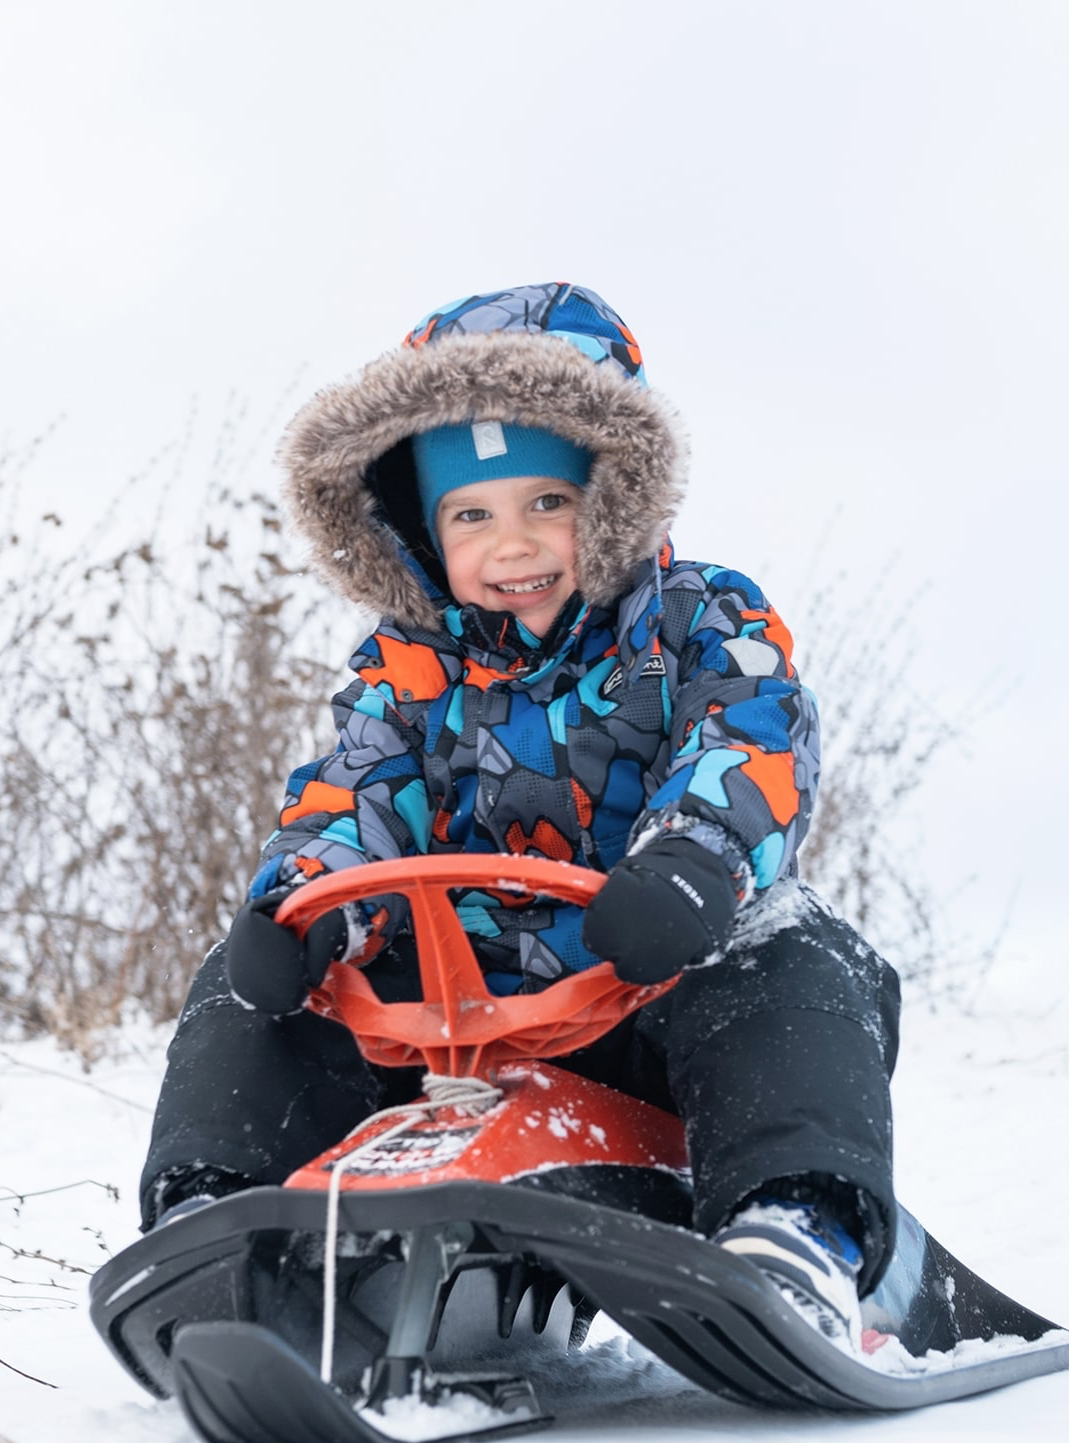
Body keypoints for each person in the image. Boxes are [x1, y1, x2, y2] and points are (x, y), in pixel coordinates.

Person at [136, 284, 901, 1352]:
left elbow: (751, 739)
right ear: (419, 531)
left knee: (796, 948)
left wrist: (692, 863)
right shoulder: (404, 669)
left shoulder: (703, 620)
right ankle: (213, 1228)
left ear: (617, 494)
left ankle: (792, 1224)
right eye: (472, 515)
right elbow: (354, 793)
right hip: (451, 1027)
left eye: (549, 503)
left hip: (647, 1002)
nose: (514, 544)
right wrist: (305, 908)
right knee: (250, 978)